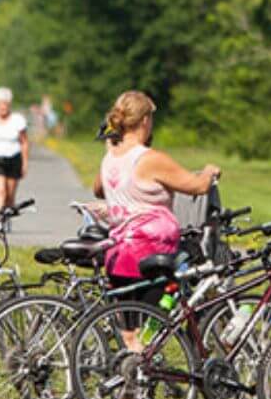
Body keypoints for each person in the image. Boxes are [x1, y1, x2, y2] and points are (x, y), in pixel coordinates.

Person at [94, 91, 220, 336]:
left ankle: (132, 368)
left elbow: (99, 190)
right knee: (151, 326)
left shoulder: (110, 157)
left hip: (119, 252)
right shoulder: (150, 159)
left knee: (130, 333)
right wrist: (209, 171)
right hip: (150, 254)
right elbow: (197, 186)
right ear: (144, 121)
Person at [0, 87, 28, 216]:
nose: (3, 107)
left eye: (5, 104)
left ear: (10, 104)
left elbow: (24, 142)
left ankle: (6, 216)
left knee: (9, 194)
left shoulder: (18, 120)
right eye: (0, 103)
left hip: (14, 158)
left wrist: (25, 163)